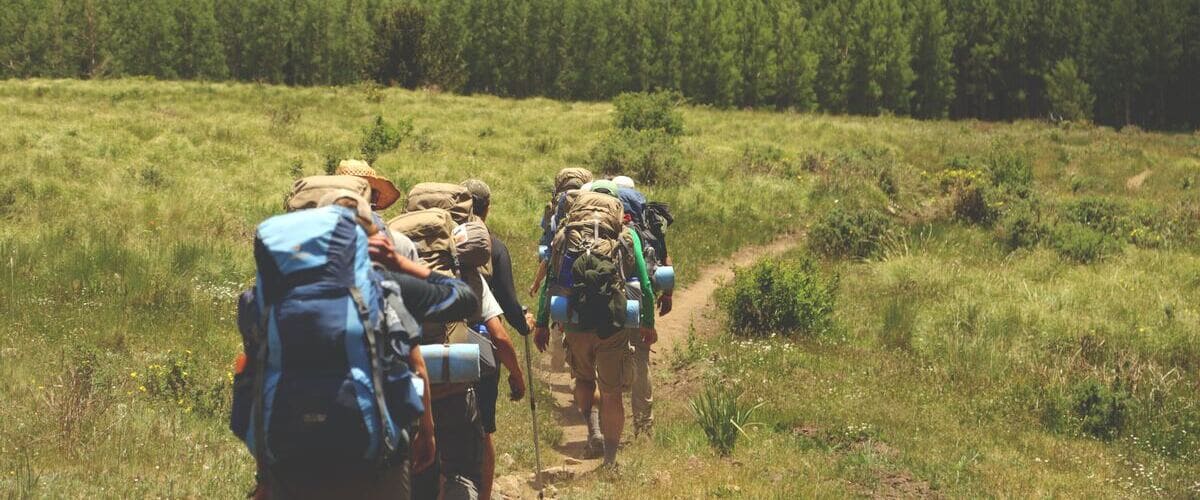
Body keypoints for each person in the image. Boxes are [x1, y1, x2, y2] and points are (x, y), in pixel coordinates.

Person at [239, 191, 480, 500]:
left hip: (294, 461)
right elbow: (461, 301)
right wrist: (399, 263)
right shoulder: (385, 288)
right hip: (374, 462)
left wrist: (265, 474)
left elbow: (257, 383)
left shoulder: (273, 298)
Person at [533, 180, 657, 467]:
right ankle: (611, 462)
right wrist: (647, 322)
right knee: (612, 394)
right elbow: (645, 284)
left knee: (583, 380)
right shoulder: (626, 236)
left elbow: (551, 281)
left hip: (576, 322)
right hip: (612, 324)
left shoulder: (565, 235)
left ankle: (593, 434)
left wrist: (542, 322)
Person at [614, 177, 673, 437]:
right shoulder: (645, 226)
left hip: (608, 301)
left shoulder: (605, 228)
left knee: (604, 361)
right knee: (640, 358)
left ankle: (606, 429)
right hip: (637, 298)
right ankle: (644, 425)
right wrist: (667, 295)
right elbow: (664, 261)